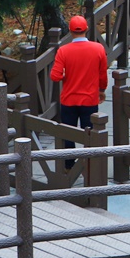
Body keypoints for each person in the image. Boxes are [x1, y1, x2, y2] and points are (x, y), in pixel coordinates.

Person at [50, 16, 108, 166]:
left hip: (69, 99)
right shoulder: (98, 49)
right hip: (89, 98)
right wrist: (101, 90)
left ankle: (69, 165)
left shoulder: (63, 51)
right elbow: (102, 75)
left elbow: (55, 76)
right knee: (89, 133)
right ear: (86, 29)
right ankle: (90, 165)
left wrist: (65, 74)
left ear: (70, 31)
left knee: (68, 133)